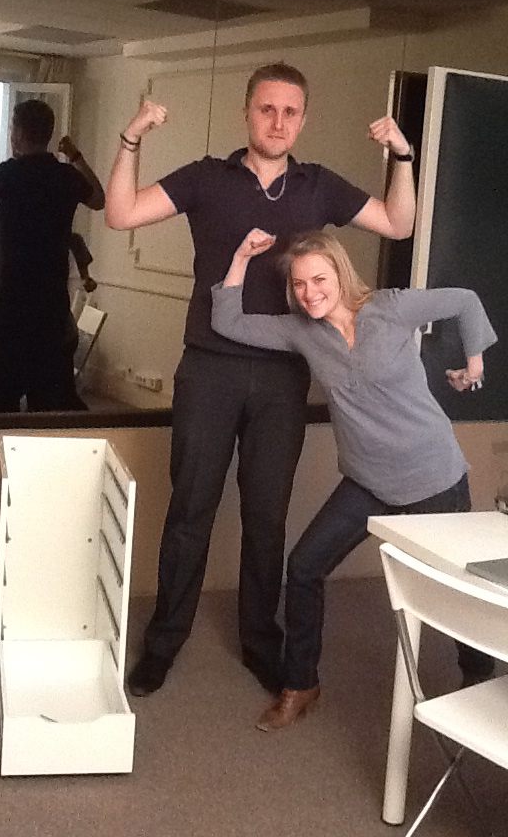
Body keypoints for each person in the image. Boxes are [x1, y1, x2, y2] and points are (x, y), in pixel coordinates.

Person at [105, 62, 417, 698]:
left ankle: (259, 641)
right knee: (190, 510)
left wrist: (403, 156)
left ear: (302, 119)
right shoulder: (206, 178)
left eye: (290, 112)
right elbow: (120, 214)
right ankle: (163, 641)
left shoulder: (318, 186)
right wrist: (131, 137)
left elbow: (398, 223)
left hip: (283, 375)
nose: (278, 122)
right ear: (247, 113)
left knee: (266, 515)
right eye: (267, 109)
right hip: (209, 368)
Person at [212, 228, 497, 728]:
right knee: (304, 567)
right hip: (366, 482)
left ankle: (478, 679)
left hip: (433, 476)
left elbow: (466, 301)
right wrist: (239, 257)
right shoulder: (301, 331)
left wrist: (473, 363)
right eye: (299, 284)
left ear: (340, 274)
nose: (309, 293)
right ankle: (301, 684)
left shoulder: (390, 308)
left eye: (319, 279)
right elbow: (227, 321)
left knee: (454, 589)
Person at [0, 101, 104, 412]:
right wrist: (76, 157)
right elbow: (99, 199)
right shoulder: (66, 175)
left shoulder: (10, 174)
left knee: (1, 398)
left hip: (12, 304)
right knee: (49, 402)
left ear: (17, 132)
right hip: (52, 305)